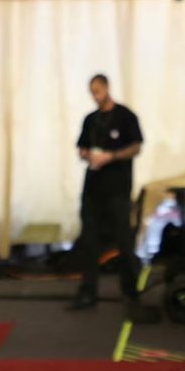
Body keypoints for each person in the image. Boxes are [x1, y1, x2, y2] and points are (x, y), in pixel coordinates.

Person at [68, 73, 144, 312]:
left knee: (123, 241)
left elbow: (135, 146)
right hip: (93, 189)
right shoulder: (90, 120)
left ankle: (130, 292)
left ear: (107, 88)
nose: (95, 96)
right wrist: (89, 155)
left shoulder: (125, 116)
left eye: (98, 91)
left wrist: (111, 156)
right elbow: (81, 147)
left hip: (117, 189)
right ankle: (88, 291)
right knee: (89, 242)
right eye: (92, 92)